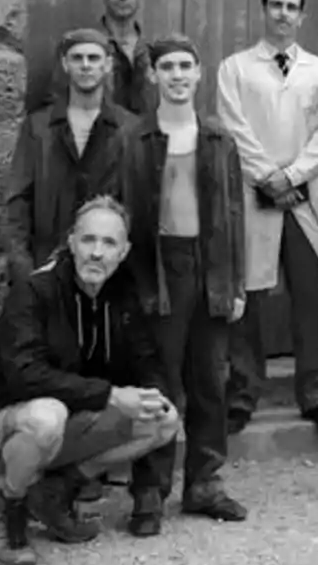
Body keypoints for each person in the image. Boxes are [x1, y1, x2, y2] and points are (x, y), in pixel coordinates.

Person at [0, 196, 180, 565]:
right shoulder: (34, 291)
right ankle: (9, 509)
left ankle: (53, 492)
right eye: (89, 240)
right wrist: (110, 395)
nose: (97, 253)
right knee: (47, 415)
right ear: (72, 242)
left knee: (164, 420)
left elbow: (147, 359)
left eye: (109, 243)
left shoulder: (121, 293)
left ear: (124, 252)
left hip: (69, 423)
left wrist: (152, 394)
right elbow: (25, 374)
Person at [106, 34, 249, 533]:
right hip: (156, 268)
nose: (177, 75)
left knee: (210, 381)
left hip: (208, 265)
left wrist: (234, 283)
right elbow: (119, 210)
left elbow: (233, 216)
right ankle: (149, 492)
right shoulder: (133, 139)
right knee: (156, 385)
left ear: (199, 73)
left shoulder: (219, 138)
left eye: (186, 65)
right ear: (153, 75)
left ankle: (205, 483)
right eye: (167, 66)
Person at [217, 0, 318, 433]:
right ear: (263, 9)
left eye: (292, 6)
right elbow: (233, 127)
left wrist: (292, 177)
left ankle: (313, 393)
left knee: (310, 298)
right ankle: (242, 393)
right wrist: (268, 177)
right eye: (275, 4)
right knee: (249, 298)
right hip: (255, 196)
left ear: (302, 16)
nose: (283, 13)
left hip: (304, 196)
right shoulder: (235, 69)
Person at [3, 28, 136, 286]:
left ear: (108, 65)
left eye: (94, 58)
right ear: (65, 64)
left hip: (108, 273)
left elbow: (137, 206)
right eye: (77, 58)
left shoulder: (129, 130)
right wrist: (23, 271)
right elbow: (17, 204)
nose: (86, 66)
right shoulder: (38, 128)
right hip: (44, 271)